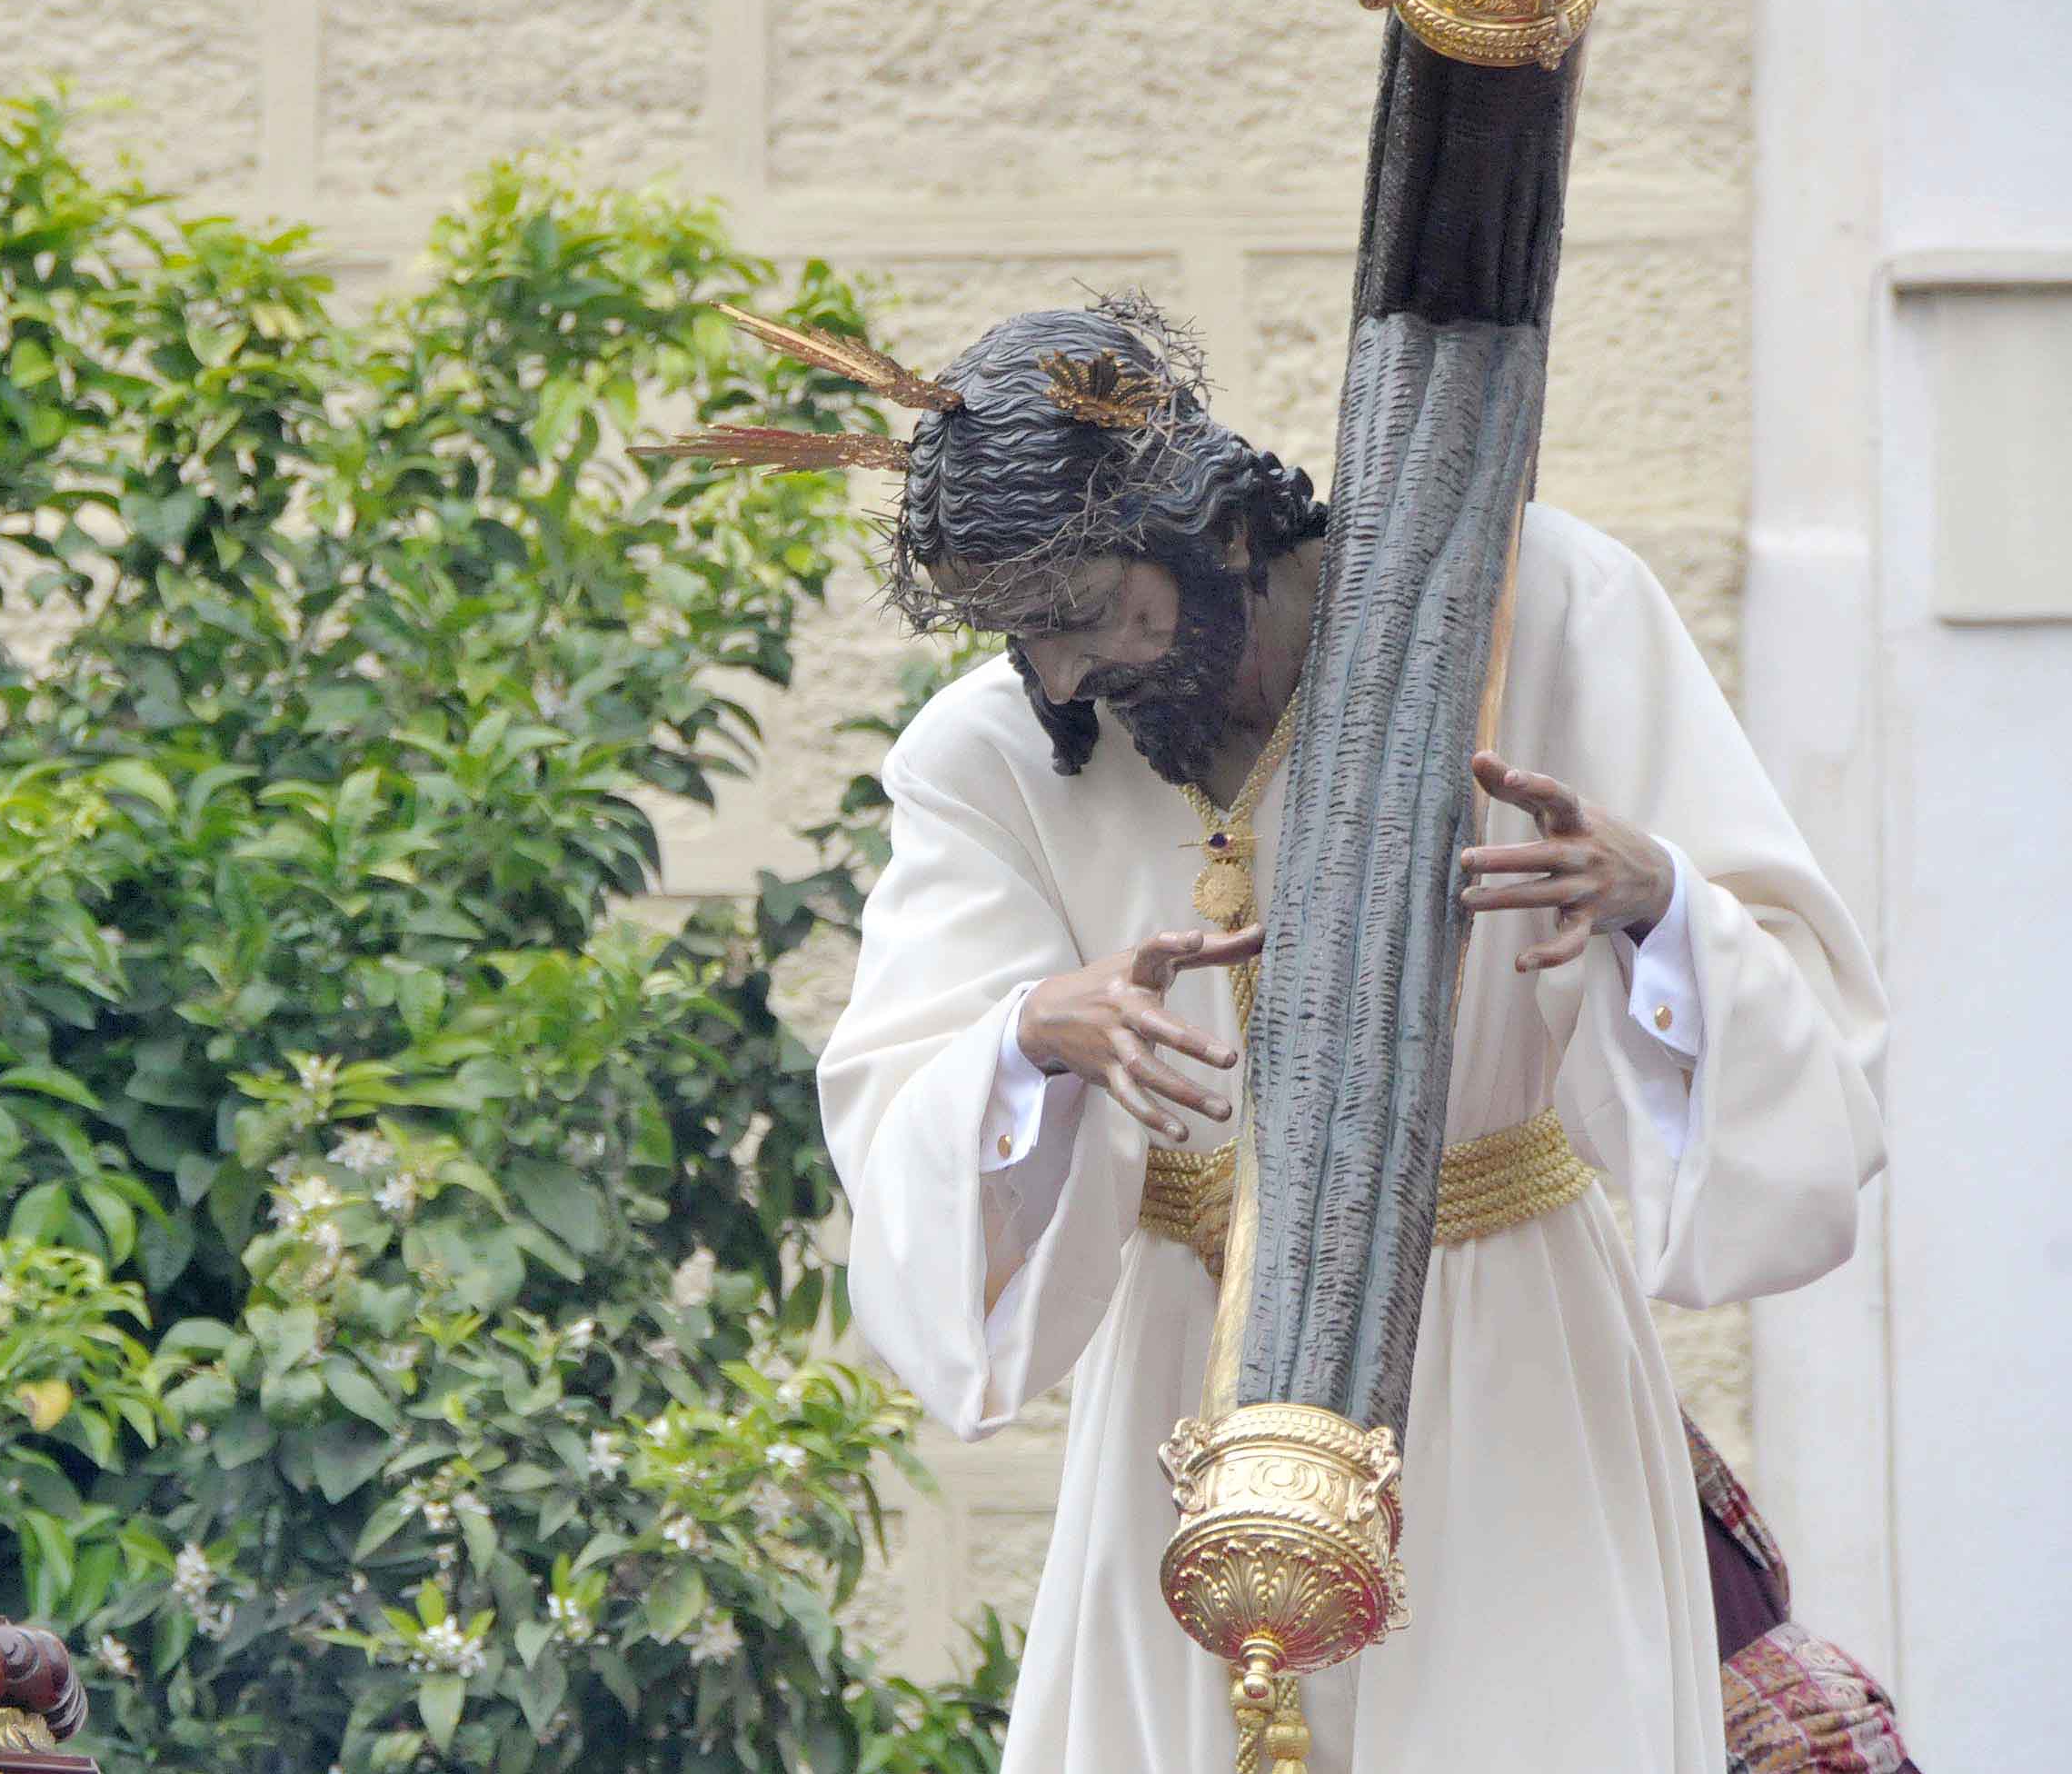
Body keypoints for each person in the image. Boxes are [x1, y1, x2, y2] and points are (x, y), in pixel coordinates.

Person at [659, 298, 1902, 1771]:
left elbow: (1806, 1052)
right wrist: (1029, 1041)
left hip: (1504, 1349)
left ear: (1209, 534)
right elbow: (904, 1101)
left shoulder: (1535, 608)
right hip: (1191, 1392)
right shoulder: (986, 759)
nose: (1059, 678)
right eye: (1017, 635)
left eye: (1079, 613)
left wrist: (1656, 906)